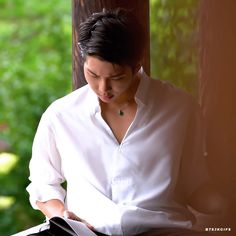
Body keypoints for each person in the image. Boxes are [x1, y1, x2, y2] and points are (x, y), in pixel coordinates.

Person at [26, 8, 224, 236]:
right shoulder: (61, 115)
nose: (103, 88)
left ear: (137, 63)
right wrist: (62, 214)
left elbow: (194, 184)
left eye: (116, 78)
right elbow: (43, 184)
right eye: (93, 74)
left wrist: (222, 204)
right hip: (84, 232)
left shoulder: (180, 108)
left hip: (161, 230)